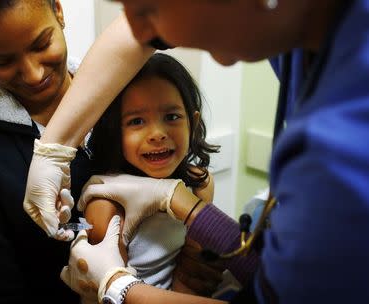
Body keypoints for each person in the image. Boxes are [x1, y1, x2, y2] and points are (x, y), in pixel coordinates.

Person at [28, 0, 369, 303]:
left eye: (148, 9)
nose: (141, 34)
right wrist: (53, 147)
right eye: (135, 122)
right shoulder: (308, 21)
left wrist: (120, 287)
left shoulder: (345, 141)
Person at [0, 1, 154, 302]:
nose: (33, 75)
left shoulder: (132, 94)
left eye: (41, 44)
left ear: (58, 11)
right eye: (2, 61)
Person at [60, 53, 220, 302]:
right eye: (136, 121)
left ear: (193, 123)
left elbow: (190, 274)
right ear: (116, 132)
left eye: (172, 116)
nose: (157, 133)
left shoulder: (199, 183)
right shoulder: (106, 205)